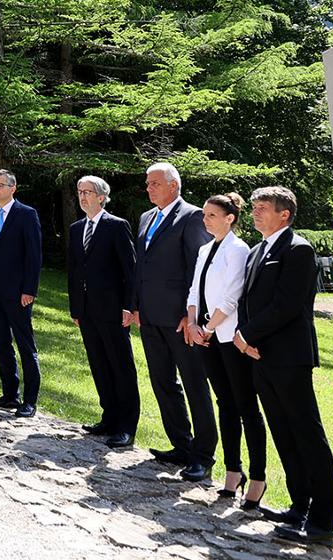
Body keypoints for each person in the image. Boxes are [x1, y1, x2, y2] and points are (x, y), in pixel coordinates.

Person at [234, 186, 333, 544]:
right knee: (283, 432)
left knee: (307, 434)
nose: (255, 212)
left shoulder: (298, 249)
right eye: (254, 207)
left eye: (263, 207)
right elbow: (247, 300)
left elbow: (287, 304)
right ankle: (299, 506)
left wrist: (247, 335)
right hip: (259, 355)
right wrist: (245, 338)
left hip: (289, 357)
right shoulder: (257, 250)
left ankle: (322, 522)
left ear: (284, 215)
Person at [131, 162, 216, 482]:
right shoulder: (146, 218)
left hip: (180, 320)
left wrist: (190, 314)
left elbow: (198, 268)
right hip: (150, 317)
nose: (149, 188)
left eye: (155, 183)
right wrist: (136, 306)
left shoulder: (192, 216)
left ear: (174, 186)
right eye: (147, 183)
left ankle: (203, 455)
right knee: (163, 382)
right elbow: (141, 266)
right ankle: (181, 444)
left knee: (194, 384)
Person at [185, 193, 268, 504]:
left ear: (229, 218)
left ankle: (258, 476)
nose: (205, 220)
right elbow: (194, 289)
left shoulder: (238, 249)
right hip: (206, 336)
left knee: (246, 406)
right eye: (204, 215)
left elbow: (232, 295)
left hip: (229, 336)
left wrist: (207, 328)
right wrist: (192, 322)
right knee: (225, 404)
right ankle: (233, 470)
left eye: (212, 215)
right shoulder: (205, 249)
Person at [66, 176, 139, 448]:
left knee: (121, 366)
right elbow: (74, 270)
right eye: (79, 192)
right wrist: (76, 307)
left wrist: (129, 306)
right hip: (86, 310)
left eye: (88, 192)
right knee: (98, 364)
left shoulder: (116, 226)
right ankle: (109, 418)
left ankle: (126, 427)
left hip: (113, 310)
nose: (82, 196)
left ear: (101, 197)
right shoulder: (76, 229)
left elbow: (130, 271)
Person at [0, 169, 43, 418]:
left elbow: (34, 255)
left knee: (25, 345)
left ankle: (30, 401)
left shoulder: (26, 214)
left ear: (13, 188)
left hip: (18, 293)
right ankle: (10, 394)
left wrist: (29, 290)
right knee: (0, 343)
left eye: (0, 185)